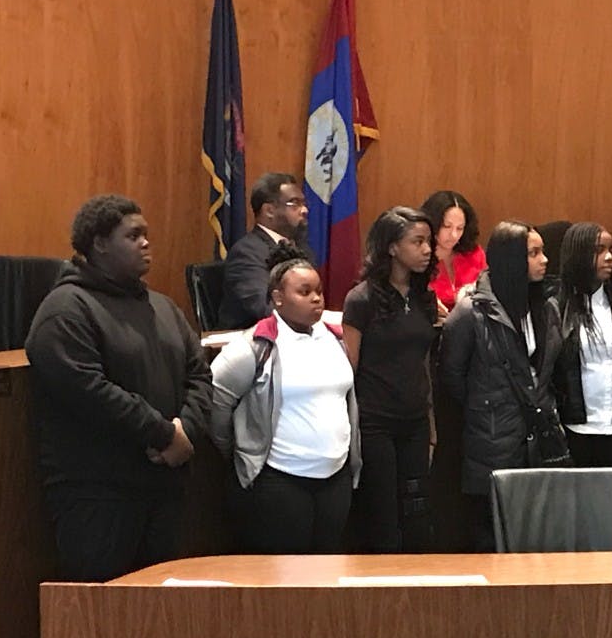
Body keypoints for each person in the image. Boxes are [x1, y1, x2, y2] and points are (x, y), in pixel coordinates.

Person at [25, 195, 211, 581]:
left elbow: (199, 376)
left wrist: (186, 431)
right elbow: (87, 390)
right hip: (97, 494)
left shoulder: (163, 308)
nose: (146, 243)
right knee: (98, 618)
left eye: (146, 235)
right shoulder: (65, 309)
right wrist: (163, 433)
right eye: (133, 235)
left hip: (163, 487)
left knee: (156, 615)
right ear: (99, 244)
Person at [210, 244, 361, 554]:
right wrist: (239, 450)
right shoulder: (255, 346)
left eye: (318, 291)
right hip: (280, 480)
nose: (316, 298)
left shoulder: (335, 337)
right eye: (304, 292)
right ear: (278, 298)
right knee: (287, 579)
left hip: (335, 477)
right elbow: (215, 399)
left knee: (328, 571)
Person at [440, 221, 563, 551]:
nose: (545, 260)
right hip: (491, 439)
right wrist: (489, 406)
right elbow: (452, 379)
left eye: (543, 252)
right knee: (491, 540)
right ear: (509, 258)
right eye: (534, 253)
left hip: (537, 439)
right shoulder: (470, 313)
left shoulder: (546, 308)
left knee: (536, 539)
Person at [342, 207, 437, 553]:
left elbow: (424, 362)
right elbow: (349, 369)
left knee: (417, 512)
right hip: (376, 422)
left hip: (414, 421)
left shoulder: (424, 297)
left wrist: (431, 424)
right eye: (418, 241)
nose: (428, 249)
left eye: (429, 241)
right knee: (383, 514)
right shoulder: (362, 300)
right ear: (393, 248)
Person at [554, 222, 612, 467]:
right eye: (599, 250)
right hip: (577, 429)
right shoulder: (557, 306)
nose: (608, 258)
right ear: (579, 255)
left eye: (611, 251)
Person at [218, 172, 310, 329]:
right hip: (256, 345)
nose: (304, 210)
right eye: (295, 204)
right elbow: (266, 308)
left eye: (303, 203)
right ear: (269, 210)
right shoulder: (246, 253)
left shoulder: (300, 247)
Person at [420, 190, 487, 317]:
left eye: (460, 228)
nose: (454, 235)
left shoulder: (475, 253)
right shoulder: (418, 256)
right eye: (446, 226)